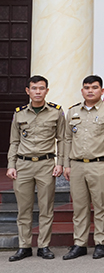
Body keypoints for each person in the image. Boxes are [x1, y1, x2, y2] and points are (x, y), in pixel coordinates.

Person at [62, 75, 104, 260]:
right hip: (77, 165)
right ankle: (79, 244)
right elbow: (67, 139)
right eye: (87, 88)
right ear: (82, 91)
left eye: (94, 87)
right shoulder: (73, 111)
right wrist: (66, 164)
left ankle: (100, 243)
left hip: (100, 165)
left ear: (102, 91)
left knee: (101, 206)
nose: (90, 91)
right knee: (79, 207)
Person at [6, 75, 65, 262]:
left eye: (41, 88)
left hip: (45, 164)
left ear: (47, 90)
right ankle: (24, 246)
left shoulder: (56, 112)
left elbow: (62, 139)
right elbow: (14, 142)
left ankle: (43, 246)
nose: (38, 92)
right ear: (28, 91)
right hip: (23, 165)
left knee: (46, 207)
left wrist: (60, 163)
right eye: (34, 88)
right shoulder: (19, 113)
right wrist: (11, 165)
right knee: (24, 209)